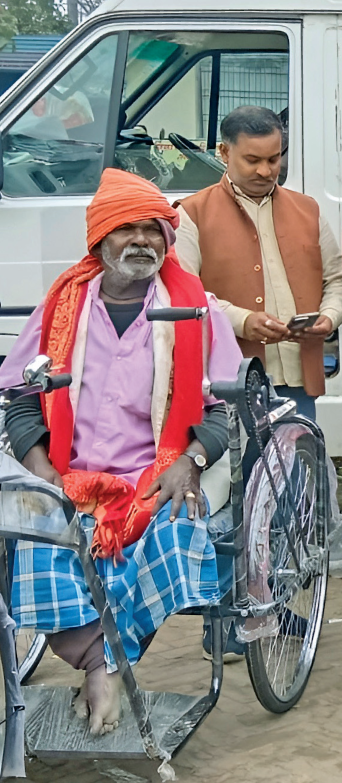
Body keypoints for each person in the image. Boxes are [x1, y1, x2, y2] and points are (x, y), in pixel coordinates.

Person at [0, 168, 242, 734]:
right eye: (125, 229)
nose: (142, 241)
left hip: (160, 472)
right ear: (99, 242)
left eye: (153, 230)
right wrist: (44, 478)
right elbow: (19, 404)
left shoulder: (197, 311)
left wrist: (188, 462)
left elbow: (218, 415)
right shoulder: (62, 309)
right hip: (68, 471)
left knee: (176, 535)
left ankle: (100, 668)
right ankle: (104, 665)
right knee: (38, 540)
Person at [176, 105, 342, 421]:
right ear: (224, 152)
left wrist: (328, 318)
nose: (266, 171)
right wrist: (243, 321)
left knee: (298, 465)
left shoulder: (307, 210)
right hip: (230, 379)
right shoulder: (191, 214)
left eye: (274, 159)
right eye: (252, 161)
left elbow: (336, 280)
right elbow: (186, 298)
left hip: (299, 376)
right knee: (240, 469)